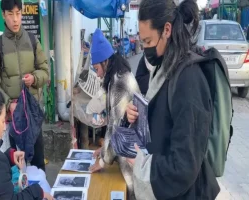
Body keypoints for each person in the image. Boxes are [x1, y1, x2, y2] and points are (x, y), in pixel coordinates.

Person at [126, 0, 220, 199]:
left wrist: (142, 164)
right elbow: (162, 121)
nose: (144, 49)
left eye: (148, 42)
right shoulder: (166, 67)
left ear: (167, 30)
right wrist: (135, 115)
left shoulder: (189, 79)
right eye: (142, 42)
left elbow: (184, 165)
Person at [0, 0, 49, 171]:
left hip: (32, 114)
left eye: (18, 13)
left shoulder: (33, 41)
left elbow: (45, 71)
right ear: (3, 15)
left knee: (38, 163)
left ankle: (39, 195)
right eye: (11, 14)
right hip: (12, 117)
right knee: (15, 165)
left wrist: (34, 79)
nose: (15, 19)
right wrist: (8, 104)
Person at [88, 28, 140, 200]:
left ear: (104, 61)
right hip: (126, 150)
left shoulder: (119, 82)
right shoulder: (115, 76)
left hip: (131, 155)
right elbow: (113, 123)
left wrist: (102, 161)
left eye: (97, 68)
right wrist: (103, 150)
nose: (97, 73)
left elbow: (115, 128)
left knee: (130, 193)